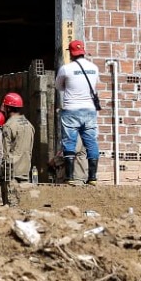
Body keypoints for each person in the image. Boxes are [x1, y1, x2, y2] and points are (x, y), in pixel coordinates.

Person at [56, 39, 101, 186]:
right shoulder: (94, 68)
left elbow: (59, 87)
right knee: (91, 142)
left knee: (69, 141)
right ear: (83, 52)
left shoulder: (66, 69)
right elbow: (95, 85)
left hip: (71, 110)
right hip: (89, 110)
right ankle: (93, 177)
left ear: (71, 54)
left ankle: (70, 177)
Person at [1, 93, 35, 183]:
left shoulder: (8, 126)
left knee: (11, 196)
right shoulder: (29, 124)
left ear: (8, 108)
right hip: (25, 170)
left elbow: (5, 151)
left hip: (12, 172)